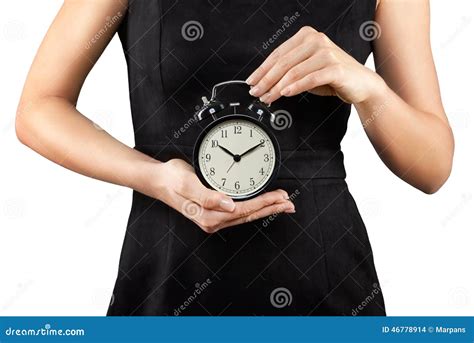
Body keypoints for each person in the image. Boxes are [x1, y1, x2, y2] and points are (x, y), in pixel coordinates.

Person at [16, 0, 454, 315]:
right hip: (169, 272)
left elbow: (433, 166)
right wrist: (153, 177)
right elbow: (39, 108)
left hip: (325, 279)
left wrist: (367, 88)